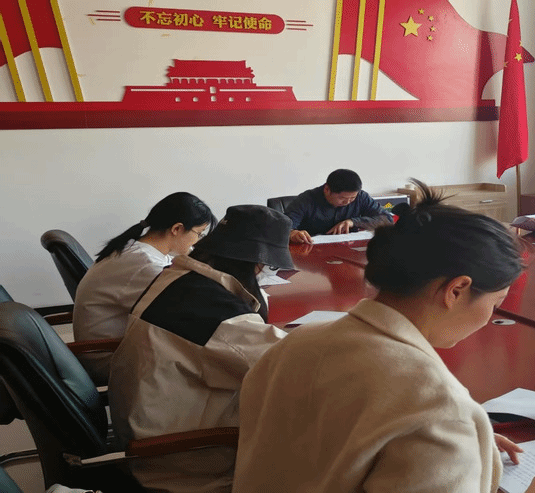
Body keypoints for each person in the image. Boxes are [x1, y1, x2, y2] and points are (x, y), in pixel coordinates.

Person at [233, 182, 535, 493]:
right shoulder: (436, 408)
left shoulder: (294, 345)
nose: (490, 317)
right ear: (457, 290)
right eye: (496, 302)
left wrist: (454, 449)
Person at [108, 205, 294, 493]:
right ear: (254, 264)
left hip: (151, 427)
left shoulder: (179, 278)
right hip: (182, 459)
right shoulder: (218, 314)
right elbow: (292, 366)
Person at [72, 191, 214, 385]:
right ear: (177, 229)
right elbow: (185, 308)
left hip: (107, 348)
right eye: (199, 233)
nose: (198, 241)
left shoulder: (136, 249)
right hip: (108, 358)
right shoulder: (145, 264)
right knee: (210, 362)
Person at [284, 168, 393, 243]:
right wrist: (293, 233)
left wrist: (353, 222)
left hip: (347, 249)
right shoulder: (306, 200)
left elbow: (387, 220)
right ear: (327, 189)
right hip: (311, 251)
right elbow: (284, 227)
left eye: (352, 198)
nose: (348, 202)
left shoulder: (361, 197)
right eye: (342, 198)